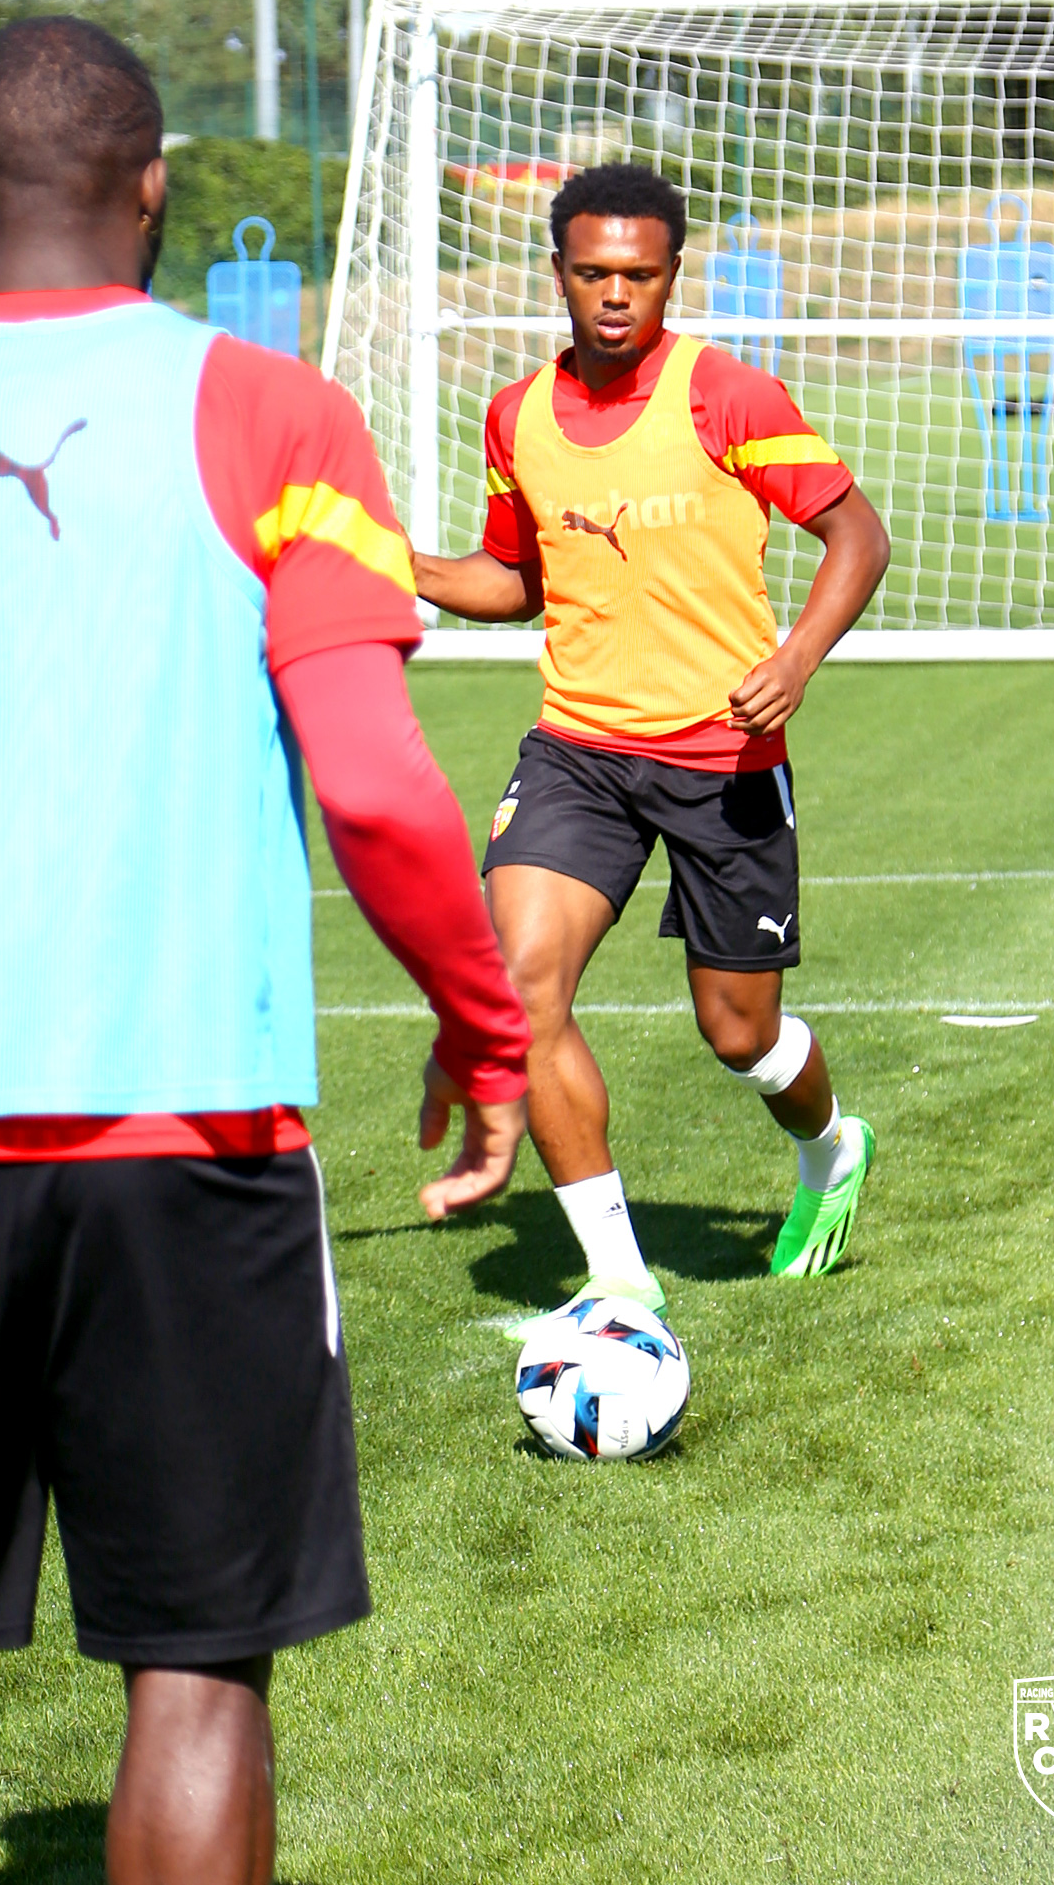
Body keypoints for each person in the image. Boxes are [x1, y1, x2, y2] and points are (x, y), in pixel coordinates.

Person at [0, 16, 529, 1885]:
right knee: (197, 1673)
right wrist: (485, 1035)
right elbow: (384, 791)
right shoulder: (276, 417)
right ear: (156, 191)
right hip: (200, 1142)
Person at [411, 162, 891, 1333]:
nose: (615, 295)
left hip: (722, 762)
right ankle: (619, 1280)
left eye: (639, 274)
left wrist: (795, 660)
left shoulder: (724, 395)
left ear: (673, 275)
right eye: (592, 273)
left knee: (741, 1032)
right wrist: (403, 567)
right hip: (576, 751)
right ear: (559, 273)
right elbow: (517, 580)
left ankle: (832, 1148)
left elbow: (856, 535)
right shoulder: (516, 412)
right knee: (523, 991)